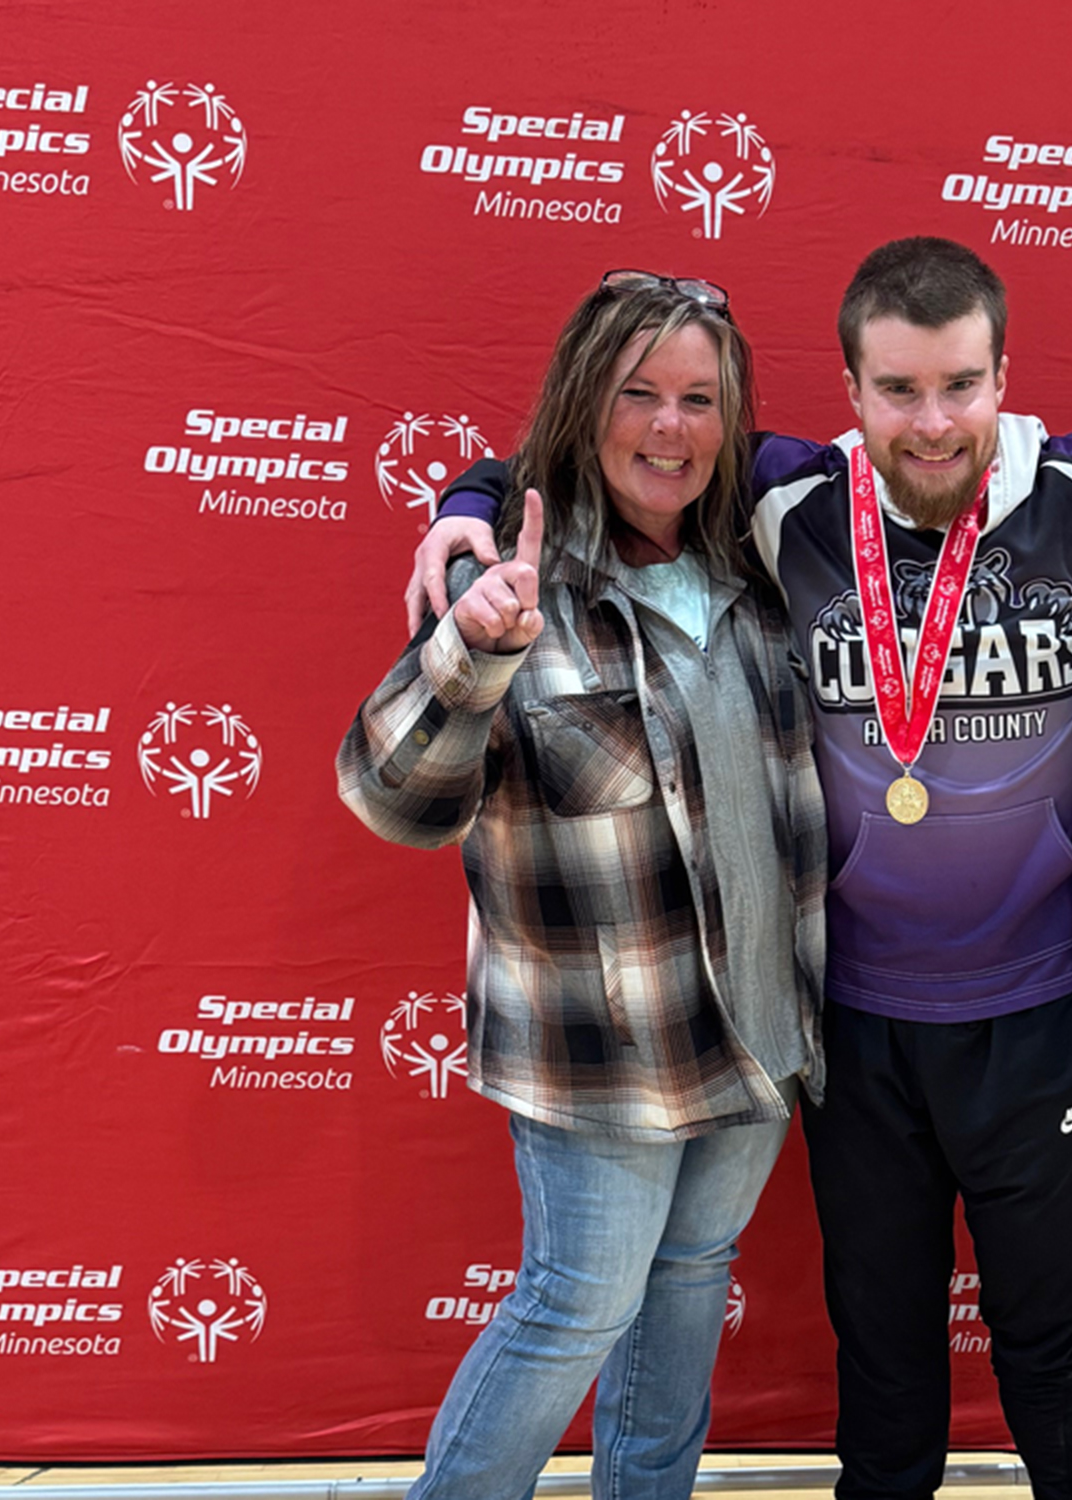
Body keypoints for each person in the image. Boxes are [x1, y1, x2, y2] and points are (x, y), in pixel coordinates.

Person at [410, 237, 1072, 1500]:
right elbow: (623, 446)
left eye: (960, 385)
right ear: (850, 392)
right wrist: (472, 497)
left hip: (1038, 1010)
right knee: (884, 1345)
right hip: (853, 1021)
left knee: (1054, 1340)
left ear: (1002, 378)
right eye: (898, 389)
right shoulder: (785, 494)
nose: (930, 422)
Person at [338, 271, 827, 1500]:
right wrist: (472, 654)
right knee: (577, 1304)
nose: (670, 427)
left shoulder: (768, 565)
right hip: (599, 1053)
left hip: (759, 1033)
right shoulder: (511, 585)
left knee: (688, 1286)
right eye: (637, 394)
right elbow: (391, 799)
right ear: (580, 403)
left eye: (699, 400)